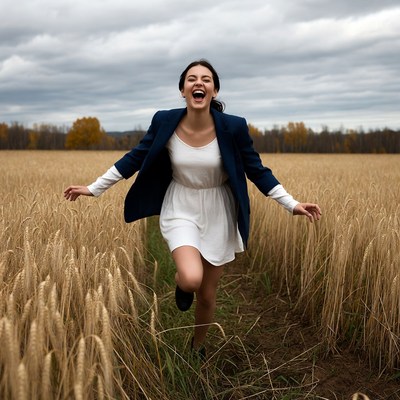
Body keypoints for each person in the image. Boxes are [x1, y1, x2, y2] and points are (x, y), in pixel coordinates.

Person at [64, 59, 322, 357]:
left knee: (208, 295)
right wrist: (94, 188)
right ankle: (182, 285)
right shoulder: (164, 121)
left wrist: (292, 204)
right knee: (191, 278)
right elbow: (135, 158)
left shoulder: (234, 127)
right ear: (183, 90)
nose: (198, 83)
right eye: (191, 79)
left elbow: (257, 170)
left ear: (214, 91)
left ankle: (196, 348)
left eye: (206, 79)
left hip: (219, 210)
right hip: (181, 205)